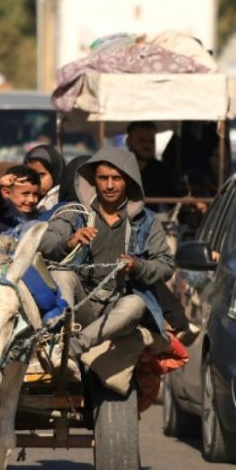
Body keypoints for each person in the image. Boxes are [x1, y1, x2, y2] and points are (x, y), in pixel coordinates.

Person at [39, 146, 174, 368]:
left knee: (136, 304)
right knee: (62, 274)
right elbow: (44, 241)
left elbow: (165, 265)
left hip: (116, 307)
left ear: (128, 182)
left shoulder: (147, 222)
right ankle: (59, 337)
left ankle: (73, 347)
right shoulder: (75, 213)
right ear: (95, 181)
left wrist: (137, 266)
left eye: (116, 178)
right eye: (103, 178)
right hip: (79, 304)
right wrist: (69, 241)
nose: (109, 185)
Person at [125, 121, 177, 199]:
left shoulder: (162, 170)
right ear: (129, 142)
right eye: (141, 140)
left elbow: (173, 197)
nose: (147, 145)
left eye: (151, 141)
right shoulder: (118, 169)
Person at [0, 165, 40, 237]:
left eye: (35, 194)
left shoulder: (35, 214)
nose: (31, 200)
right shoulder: (6, 208)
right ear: (6, 192)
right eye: (25, 194)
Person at [23, 144, 65, 212]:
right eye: (30, 175)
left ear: (55, 173)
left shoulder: (57, 203)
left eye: (41, 175)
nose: (35, 179)